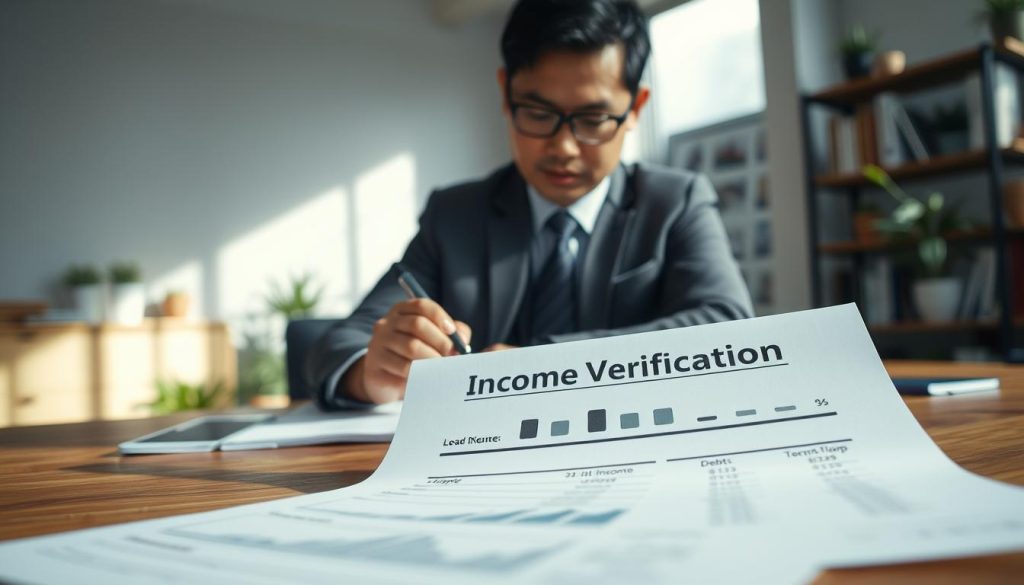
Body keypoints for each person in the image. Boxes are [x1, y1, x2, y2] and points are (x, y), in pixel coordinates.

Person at [306, 0, 753, 408]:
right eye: (538, 114)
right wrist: (372, 373)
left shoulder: (675, 202)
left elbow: (725, 325)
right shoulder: (455, 215)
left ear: (635, 108)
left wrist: (540, 366)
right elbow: (341, 343)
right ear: (505, 94)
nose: (564, 148)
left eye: (593, 119)